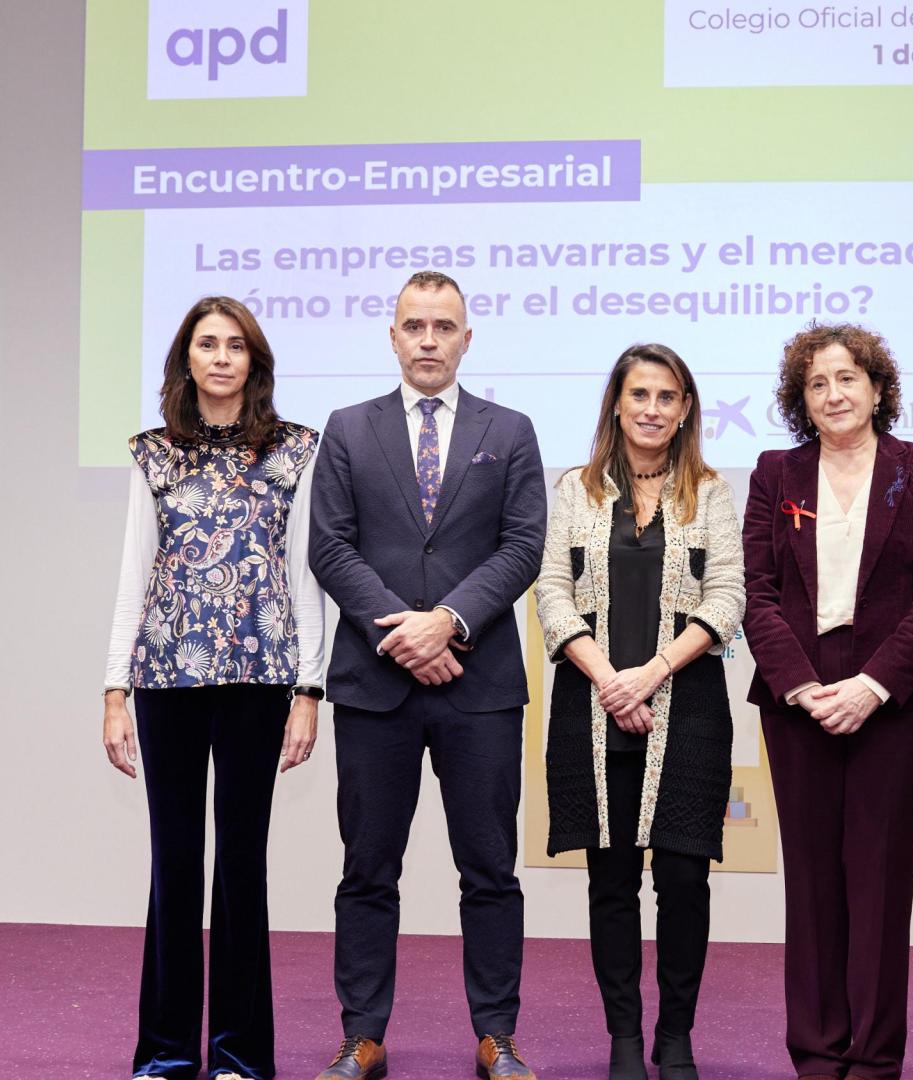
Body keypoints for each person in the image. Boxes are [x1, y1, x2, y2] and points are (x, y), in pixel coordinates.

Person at [307, 271, 547, 1080]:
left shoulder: (509, 431)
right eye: (415, 325)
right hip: (376, 688)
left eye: (444, 326)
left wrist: (447, 622)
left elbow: (522, 548)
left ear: (467, 338)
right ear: (393, 335)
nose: (429, 339)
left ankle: (497, 1037)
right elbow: (331, 547)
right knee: (367, 870)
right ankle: (361, 1036)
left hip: (480, 689)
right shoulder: (346, 429)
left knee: (489, 870)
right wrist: (403, 636)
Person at [101, 295, 324, 1080]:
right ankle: (164, 1053)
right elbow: (135, 572)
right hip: (165, 679)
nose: (222, 357)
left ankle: (238, 1055)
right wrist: (113, 689)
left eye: (236, 345)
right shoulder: (153, 454)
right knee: (174, 864)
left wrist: (309, 689)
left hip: (261, 680)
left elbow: (304, 577)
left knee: (240, 866)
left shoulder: (296, 451)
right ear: (186, 359)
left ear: (254, 363)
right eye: (208, 344)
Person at [740, 323, 913, 1080]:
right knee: (810, 880)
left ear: (876, 388)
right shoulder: (775, 473)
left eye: (847, 379)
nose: (834, 394)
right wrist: (801, 684)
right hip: (796, 691)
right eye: (816, 383)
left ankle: (872, 1057)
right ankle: (816, 1052)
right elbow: (758, 592)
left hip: (892, 695)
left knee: (879, 879)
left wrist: (870, 686)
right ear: (800, 400)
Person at [533, 344, 746, 1080]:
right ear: (616, 405)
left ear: (686, 408)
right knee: (612, 881)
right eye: (640, 395)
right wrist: (608, 680)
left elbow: (728, 597)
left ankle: (675, 1036)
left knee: (685, 880)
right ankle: (624, 1038)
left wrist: (651, 673)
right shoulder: (577, 490)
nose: (652, 409)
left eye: (668, 396)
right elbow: (552, 595)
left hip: (686, 709)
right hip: (592, 712)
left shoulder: (710, 493)